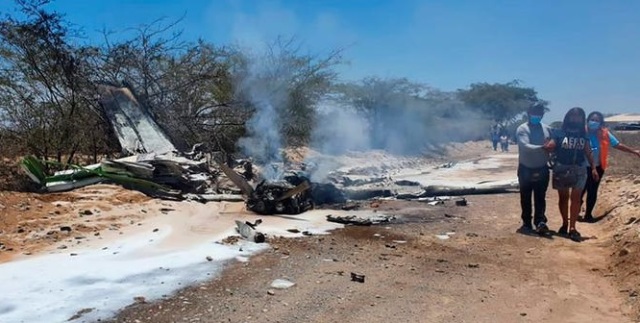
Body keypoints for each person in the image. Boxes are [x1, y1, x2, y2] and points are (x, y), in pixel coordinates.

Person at [547, 107, 599, 242]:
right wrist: (548, 146)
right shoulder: (558, 132)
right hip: (562, 167)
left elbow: (588, 152)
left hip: (579, 168)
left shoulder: (584, 134)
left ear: (582, 119)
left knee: (575, 199)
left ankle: (572, 227)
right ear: (568, 117)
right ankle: (564, 223)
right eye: (573, 116)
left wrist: (593, 168)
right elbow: (552, 145)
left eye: (579, 116)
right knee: (563, 198)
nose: (575, 119)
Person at [579, 111, 640, 222]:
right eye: (592, 119)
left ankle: (588, 215)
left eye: (597, 120)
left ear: (601, 122)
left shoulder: (604, 133)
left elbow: (617, 144)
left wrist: (634, 151)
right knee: (580, 190)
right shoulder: (581, 132)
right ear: (587, 120)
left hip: (598, 166)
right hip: (581, 166)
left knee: (592, 190)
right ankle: (576, 209)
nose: (594, 122)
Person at [516, 104, 553, 234]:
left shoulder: (547, 129)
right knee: (525, 196)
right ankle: (526, 222)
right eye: (533, 112)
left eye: (539, 113)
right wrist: (542, 148)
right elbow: (525, 145)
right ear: (528, 113)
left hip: (542, 168)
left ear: (542, 114)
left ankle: (540, 221)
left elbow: (554, 143)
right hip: (526, 168)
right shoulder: (522, 129)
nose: (536, 115)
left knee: (540, 196)